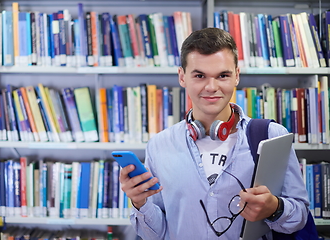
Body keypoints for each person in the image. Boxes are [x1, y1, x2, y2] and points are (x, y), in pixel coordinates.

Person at [119, 28, 310, 240]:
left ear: (236, 76)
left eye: (223, 75)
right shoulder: (159, 145)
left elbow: (300, 216)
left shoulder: (272, 135)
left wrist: (275, 208)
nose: (212, 87)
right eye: (199, 75)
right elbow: (156, 235)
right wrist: (140, 202)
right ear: (182, 77)